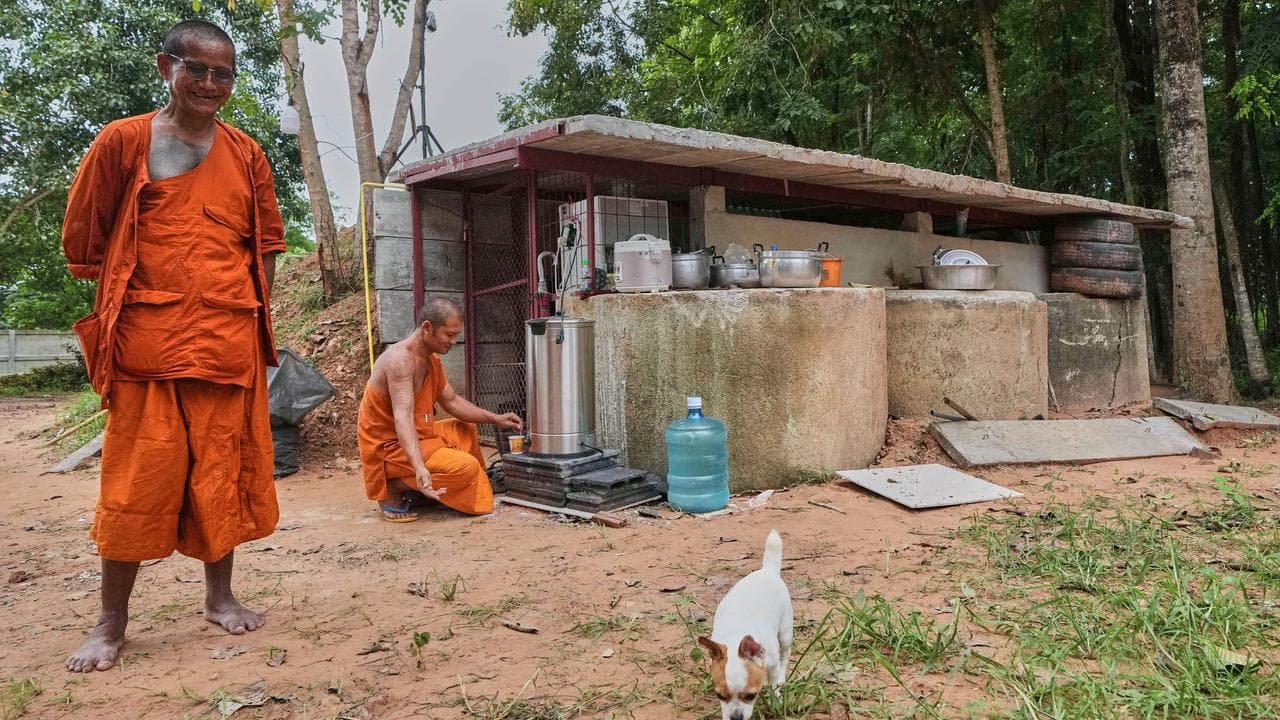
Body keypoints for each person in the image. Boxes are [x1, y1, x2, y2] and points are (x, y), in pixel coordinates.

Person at [60, 20, 286, 672]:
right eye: (198, 70)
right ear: (167, 66)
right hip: (145, 344)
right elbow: (87, 238)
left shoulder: (245, 154)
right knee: (137, 480)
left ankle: (220, 597)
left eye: (224, 74)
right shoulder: (122, 142)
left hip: (224, 342)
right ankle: (111, 623)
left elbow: (266, 245)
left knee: (220, 471)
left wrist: (254, 321)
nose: (211, 84)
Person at [358, 297, 523, 522]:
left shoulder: (431, 360)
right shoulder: (400, 362)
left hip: (419, 435)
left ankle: (439, 485)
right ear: (427, 328)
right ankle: (394, 486)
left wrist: (496, 419)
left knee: (463, 428)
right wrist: (419, 467)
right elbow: (403, 419)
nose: (454, 341)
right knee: (466, 467)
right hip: (389, 446)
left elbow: (453, 402)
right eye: (450, 334)